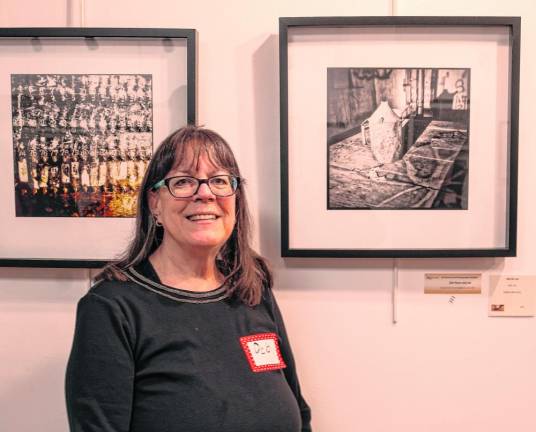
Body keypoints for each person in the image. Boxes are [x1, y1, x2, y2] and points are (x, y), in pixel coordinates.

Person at [65, 125, 312, 432]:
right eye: (183, 182)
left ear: (236, 199)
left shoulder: (251, 287)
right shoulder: (112, 308)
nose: (205, 194)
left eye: (220, 181)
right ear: (155, 202)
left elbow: (299, 411)